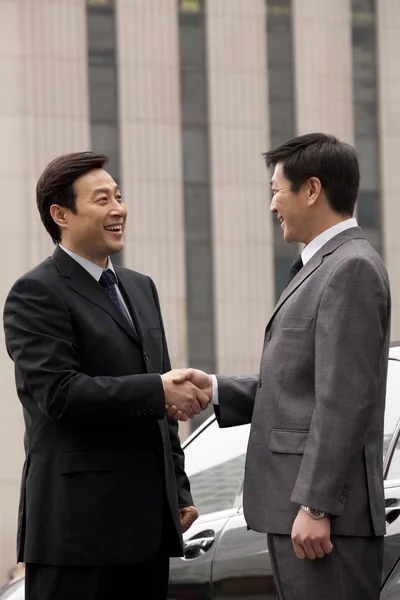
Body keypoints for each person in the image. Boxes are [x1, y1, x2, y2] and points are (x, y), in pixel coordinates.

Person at [172, 133, 391, 600]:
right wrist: (213, 388)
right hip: (298, 516)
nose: (273, 205)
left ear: (311, 190)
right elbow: (299, 385)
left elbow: (344, 400)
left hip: (323, 519)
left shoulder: (349, 268)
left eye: (277, 190)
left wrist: (316, 503)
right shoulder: (323, 265)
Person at [3, 152, 208, 600]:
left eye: (119, 196)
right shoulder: (35, 292)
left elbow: (163, 402)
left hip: (146, 531)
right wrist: (158, 389)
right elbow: (59, 394)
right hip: (77, 534)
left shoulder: (140, 287)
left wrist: (178, 489)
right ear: (60, 214)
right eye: (102, 199)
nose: (118, 209)